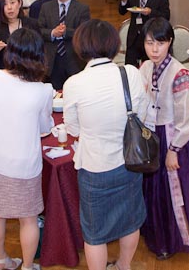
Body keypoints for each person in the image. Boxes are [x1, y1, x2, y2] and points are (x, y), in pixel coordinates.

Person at [63, 19, 148, 270]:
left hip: (95, 167)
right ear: (113, 44)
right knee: (130, 222)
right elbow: (142, 115)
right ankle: (124, 265)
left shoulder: (74, 83)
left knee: (95, 233)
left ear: (81, 46)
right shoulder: (130, 73)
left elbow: (73, 129)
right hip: (130, 162)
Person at [0, 28, 53, 270]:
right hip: (24, 165)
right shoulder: (42, 90)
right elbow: (44, 128)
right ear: (38, 56)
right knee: (28, 219)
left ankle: (1, 260)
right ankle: (28, 266)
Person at [139, 17, 189, 259]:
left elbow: (188, 119)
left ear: (170, 42)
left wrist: (173, 150)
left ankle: (174, 241)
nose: (154, 49)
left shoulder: (181, 73)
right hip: (152, 134)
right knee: (153, 191)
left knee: (173, 193)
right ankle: (155, 236)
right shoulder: (145, 67)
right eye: (149, 43)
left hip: (174, 138)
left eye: (160, 43)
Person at [38, 0, 90, 90]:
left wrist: (66, 32)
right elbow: (39, 30)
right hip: (52, 59)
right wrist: (52, 33)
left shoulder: (82, 9)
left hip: (73, 59)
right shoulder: (46, 7)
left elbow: (84, 33)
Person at [117, 0, 170, 67]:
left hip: (151, 37)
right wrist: (124, 1)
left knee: (149, 68)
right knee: (130, 68)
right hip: (134, 37)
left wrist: (151, 12)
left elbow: (166, 16)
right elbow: (122, 12)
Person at [0, 0, 39, 69]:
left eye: (12, 3)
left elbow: (39, 50)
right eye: (5, 4)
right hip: (5, 70)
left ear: (19, 3)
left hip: (29, 69)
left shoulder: (32, 24)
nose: (9, 7)